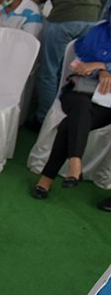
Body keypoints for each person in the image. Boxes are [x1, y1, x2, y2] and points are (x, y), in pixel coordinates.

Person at [32, 13, 111, 198]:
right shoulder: (98, 32)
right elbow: (80, 59)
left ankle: (48, 176)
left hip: (107, 104)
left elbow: (95, 62)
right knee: (80, 107)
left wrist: (103, 65)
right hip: (80, 91)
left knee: (71, 123)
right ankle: (75, 163)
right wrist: (99, 70)